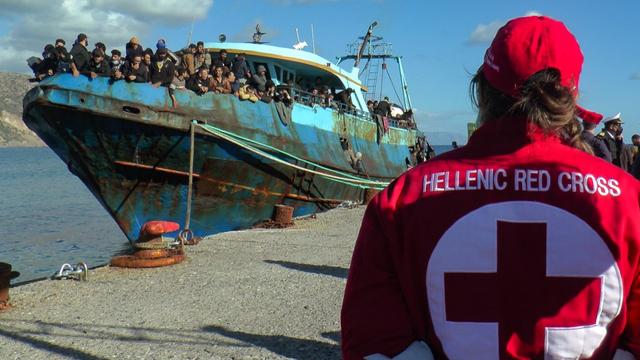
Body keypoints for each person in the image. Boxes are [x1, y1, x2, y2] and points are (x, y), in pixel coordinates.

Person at [341, 16, 640, 360]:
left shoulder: (403, 199)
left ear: (481, 90)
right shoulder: (629, 201)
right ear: (570, 100)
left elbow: (374, 345)